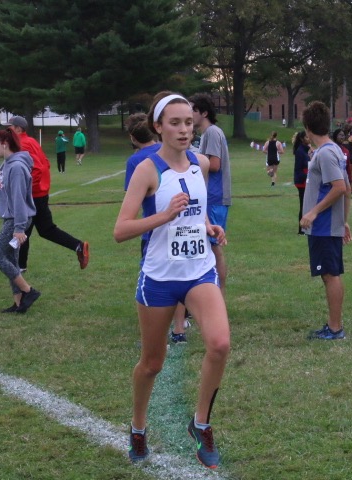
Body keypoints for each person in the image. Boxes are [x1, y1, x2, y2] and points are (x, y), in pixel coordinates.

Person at [113, 92, 230, 469]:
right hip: (159, 277)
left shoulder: (200, 163)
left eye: (189, 124)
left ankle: (201, 424)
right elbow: (121, 230)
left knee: (220, 344)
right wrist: (162, 217)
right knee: (152, 363)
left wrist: (209, 226)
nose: (184, 130)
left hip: (199, 269)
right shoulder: (147, 169)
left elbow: (196, 213)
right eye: (175, 123)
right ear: (159, 127)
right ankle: (137, 427)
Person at [123, 113, 190, 343]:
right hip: (182, 225)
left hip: (155, 228)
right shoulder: (173, 152)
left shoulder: (138, 162)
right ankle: (179, 328)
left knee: (152, 274)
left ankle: (156, 324)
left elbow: (133, 196)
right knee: (181, 274)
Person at [5, 116, 90, 271]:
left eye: (9, 127)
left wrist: (28, 190)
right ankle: (78, 246)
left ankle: (19, 266)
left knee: (23, 230)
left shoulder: (22, 144)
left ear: (18, 128)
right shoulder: (31, 141)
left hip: (34, 194)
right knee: (44, 229)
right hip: (40, 192)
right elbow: (46, 162)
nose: (6, 131)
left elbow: (37, 168)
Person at [300, 101, 352, 341]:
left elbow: (340, 188)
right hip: (328, 224)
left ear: (308, 128)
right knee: (329, 273)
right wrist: (345, 220)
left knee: (330, 274)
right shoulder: (331, 151)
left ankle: (335, 328)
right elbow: (347, 188)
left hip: (323, 225)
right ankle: (333, 326)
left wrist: (313, 212)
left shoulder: (327, 152)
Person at [0, 129, 41, 313]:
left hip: (16, 220)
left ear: (5, 144)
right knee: (11, 259)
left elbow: (18, 199)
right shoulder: (6, 164)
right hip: (11, 218)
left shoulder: (16, 167)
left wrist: (19, 228)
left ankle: (28, 291)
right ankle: (19, 304)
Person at [189, 93, 232, 296]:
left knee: (214, 247)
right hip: (208, 197)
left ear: (204, 113)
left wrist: (190, 157)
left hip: (215, 197)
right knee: (205, 247)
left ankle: (219, 294)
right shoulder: (205, 135)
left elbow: (214, 165)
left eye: (193, 110)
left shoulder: (213, 132)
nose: (189, 115)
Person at [292, 130, 310, 235]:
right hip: (302, 181)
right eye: (307, 137)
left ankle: (305, 227)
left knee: (306, 204)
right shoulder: (300, 151)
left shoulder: (305, 150)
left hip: (306, 180)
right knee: (303, 205)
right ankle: (301, 230)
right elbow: (298, 169)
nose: (309, 139)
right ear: (302, 139)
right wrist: (307, 177)